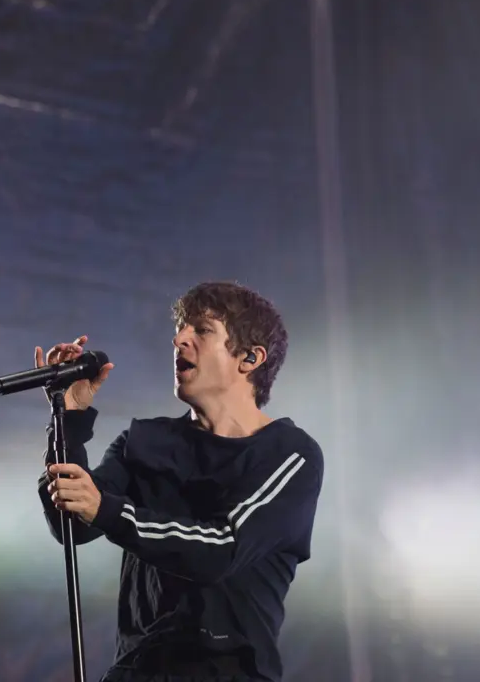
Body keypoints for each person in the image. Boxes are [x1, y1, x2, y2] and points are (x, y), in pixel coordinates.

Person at [37, 281, 324, 682]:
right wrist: (67, 414)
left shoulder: (289, 454)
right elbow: (72, 526)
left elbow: (222, 548)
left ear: (249, 357)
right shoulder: (143, 441)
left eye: (202, 330)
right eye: (181, 329)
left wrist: (105, 508)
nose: (178, 339)